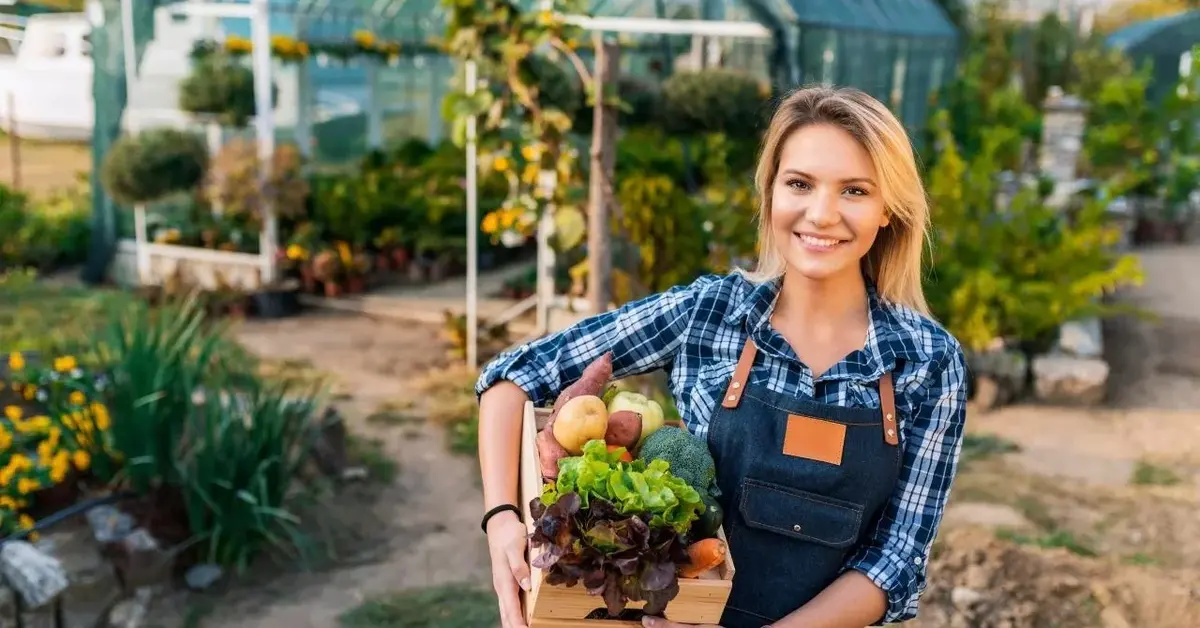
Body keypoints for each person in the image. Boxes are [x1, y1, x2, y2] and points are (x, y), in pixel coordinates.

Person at [474, 85, 968, 628]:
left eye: (854, 190)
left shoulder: (926, 361)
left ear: (889, 211)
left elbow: (895, 561)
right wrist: (501, 520)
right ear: (771, 195)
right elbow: (512, 377)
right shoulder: (708, 313)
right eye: (799, 183)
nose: (822, 214)